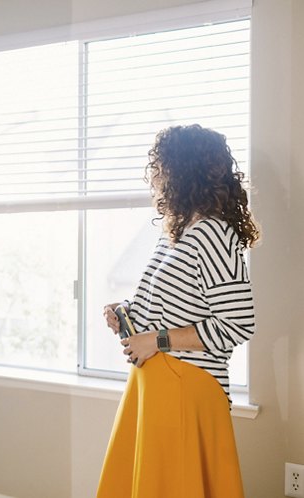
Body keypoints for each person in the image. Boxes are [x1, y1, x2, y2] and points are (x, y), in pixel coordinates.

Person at [96, 124, 259, 498]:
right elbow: (168, 308)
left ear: (181, 172)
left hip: (186, 386)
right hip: (156, 382)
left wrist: (156, 339)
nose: (155, 177)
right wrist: (125, 313)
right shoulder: (178, 233)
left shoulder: (214, 234)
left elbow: (237, 324)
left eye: (161, 168)